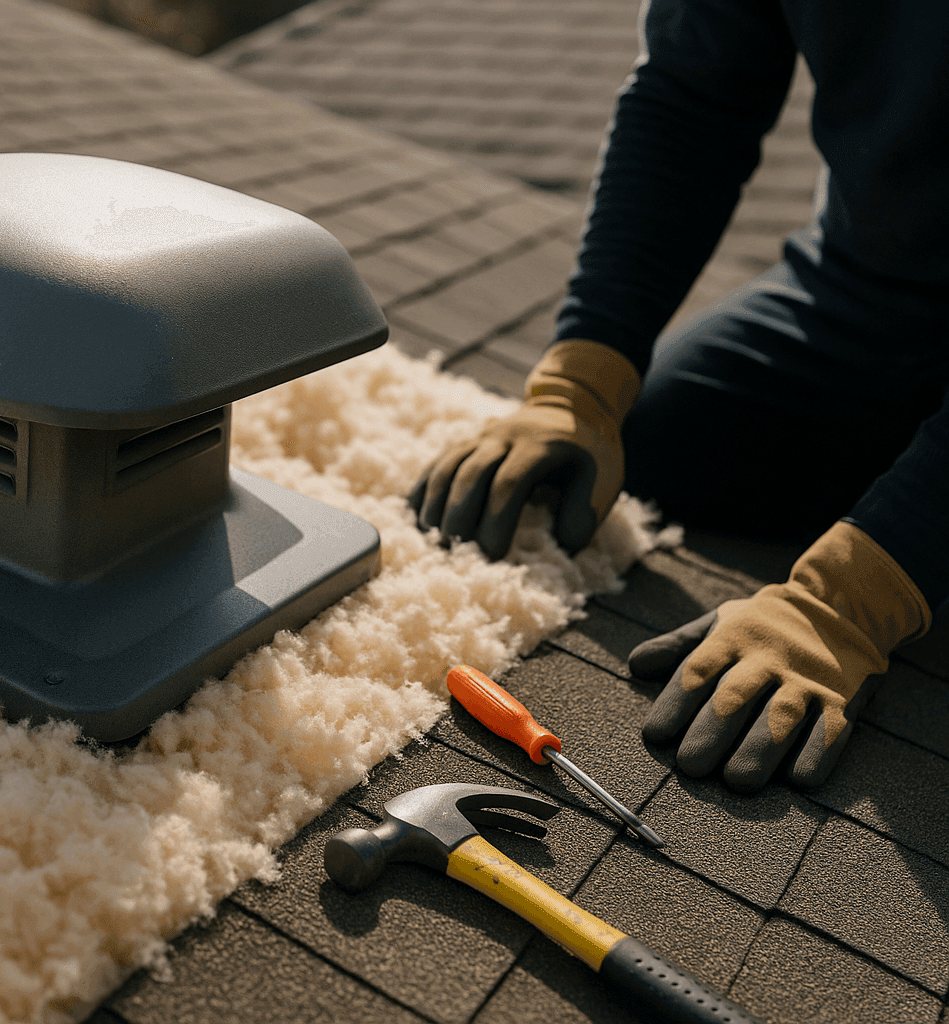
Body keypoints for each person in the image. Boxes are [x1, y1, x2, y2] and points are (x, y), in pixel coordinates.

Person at [407, 0, 949, 793]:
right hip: (863, 286)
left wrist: (845, 602)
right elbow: (693, 97)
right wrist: (579, 384)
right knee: (659, 441)